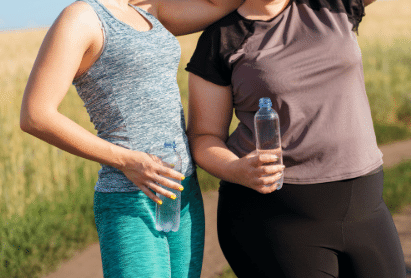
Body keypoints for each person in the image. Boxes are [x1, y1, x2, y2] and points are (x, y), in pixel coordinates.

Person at [19, 0, 243, 277]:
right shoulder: (81, 17)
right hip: (132, 196)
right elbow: (35, 115)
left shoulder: (150, 10)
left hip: (182, 188)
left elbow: (223, 5)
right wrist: (127, 161)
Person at [185, 0, 407, 277]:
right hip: (276, 220)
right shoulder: (223, 37)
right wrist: (234, 169)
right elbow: (203, 136)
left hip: (367, 209)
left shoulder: (332, 5)